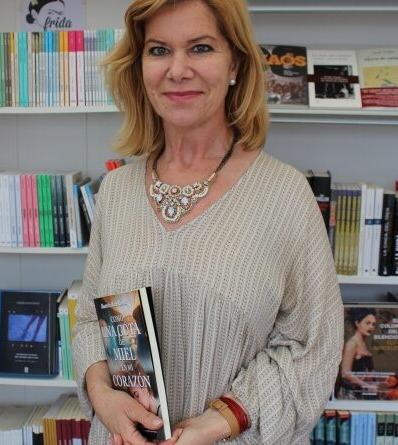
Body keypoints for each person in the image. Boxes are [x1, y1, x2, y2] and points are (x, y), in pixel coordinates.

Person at [73, 0, 344, 444]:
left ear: (234, 63)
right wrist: (102, 392)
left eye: (200, 48)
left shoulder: (285, 195)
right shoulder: (117, 191)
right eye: (159, 50)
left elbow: (312, 347)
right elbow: (90, 322)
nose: (177, 70)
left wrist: (220, 421)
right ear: (139, 67)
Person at [339, 308, 378, 398]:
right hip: (351, 394)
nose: (371, 327)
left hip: (361, 392)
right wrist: (367, 386)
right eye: (367, 323)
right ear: (357, 323)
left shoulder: (363, 343)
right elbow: (345, 373)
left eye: (373, 324)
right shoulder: (352, 344)